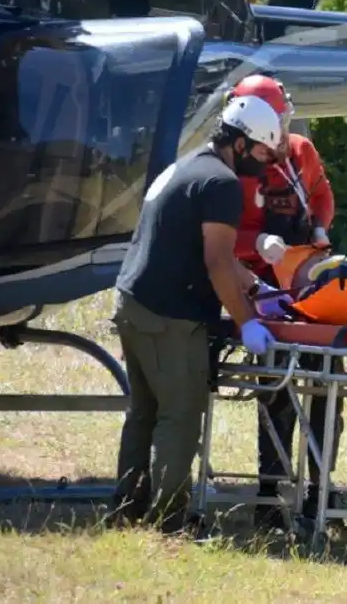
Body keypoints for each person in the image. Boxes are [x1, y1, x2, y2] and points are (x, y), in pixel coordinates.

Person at [109, 95, 285, 534]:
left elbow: (218, 256)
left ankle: (126, 510)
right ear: (242, 143)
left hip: (133, 302)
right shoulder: (222, 183)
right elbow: (216, 262)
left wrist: (255, 287)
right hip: (170, 315)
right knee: (180, 415)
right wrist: (249, 323)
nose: (265, 164)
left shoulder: (188, 166)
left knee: (144, 412)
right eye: (263, 152)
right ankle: (170, 522)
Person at [222, 74, 347, 535]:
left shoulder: (301, 151)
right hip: (261, 288)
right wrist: (257, 241)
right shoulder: (236, 170)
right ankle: (270, 495)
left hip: (309, 283)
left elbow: (322, 192)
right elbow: (220, 243)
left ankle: (321, 492)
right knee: (276, 391)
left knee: (328, 386)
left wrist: (318, 225)